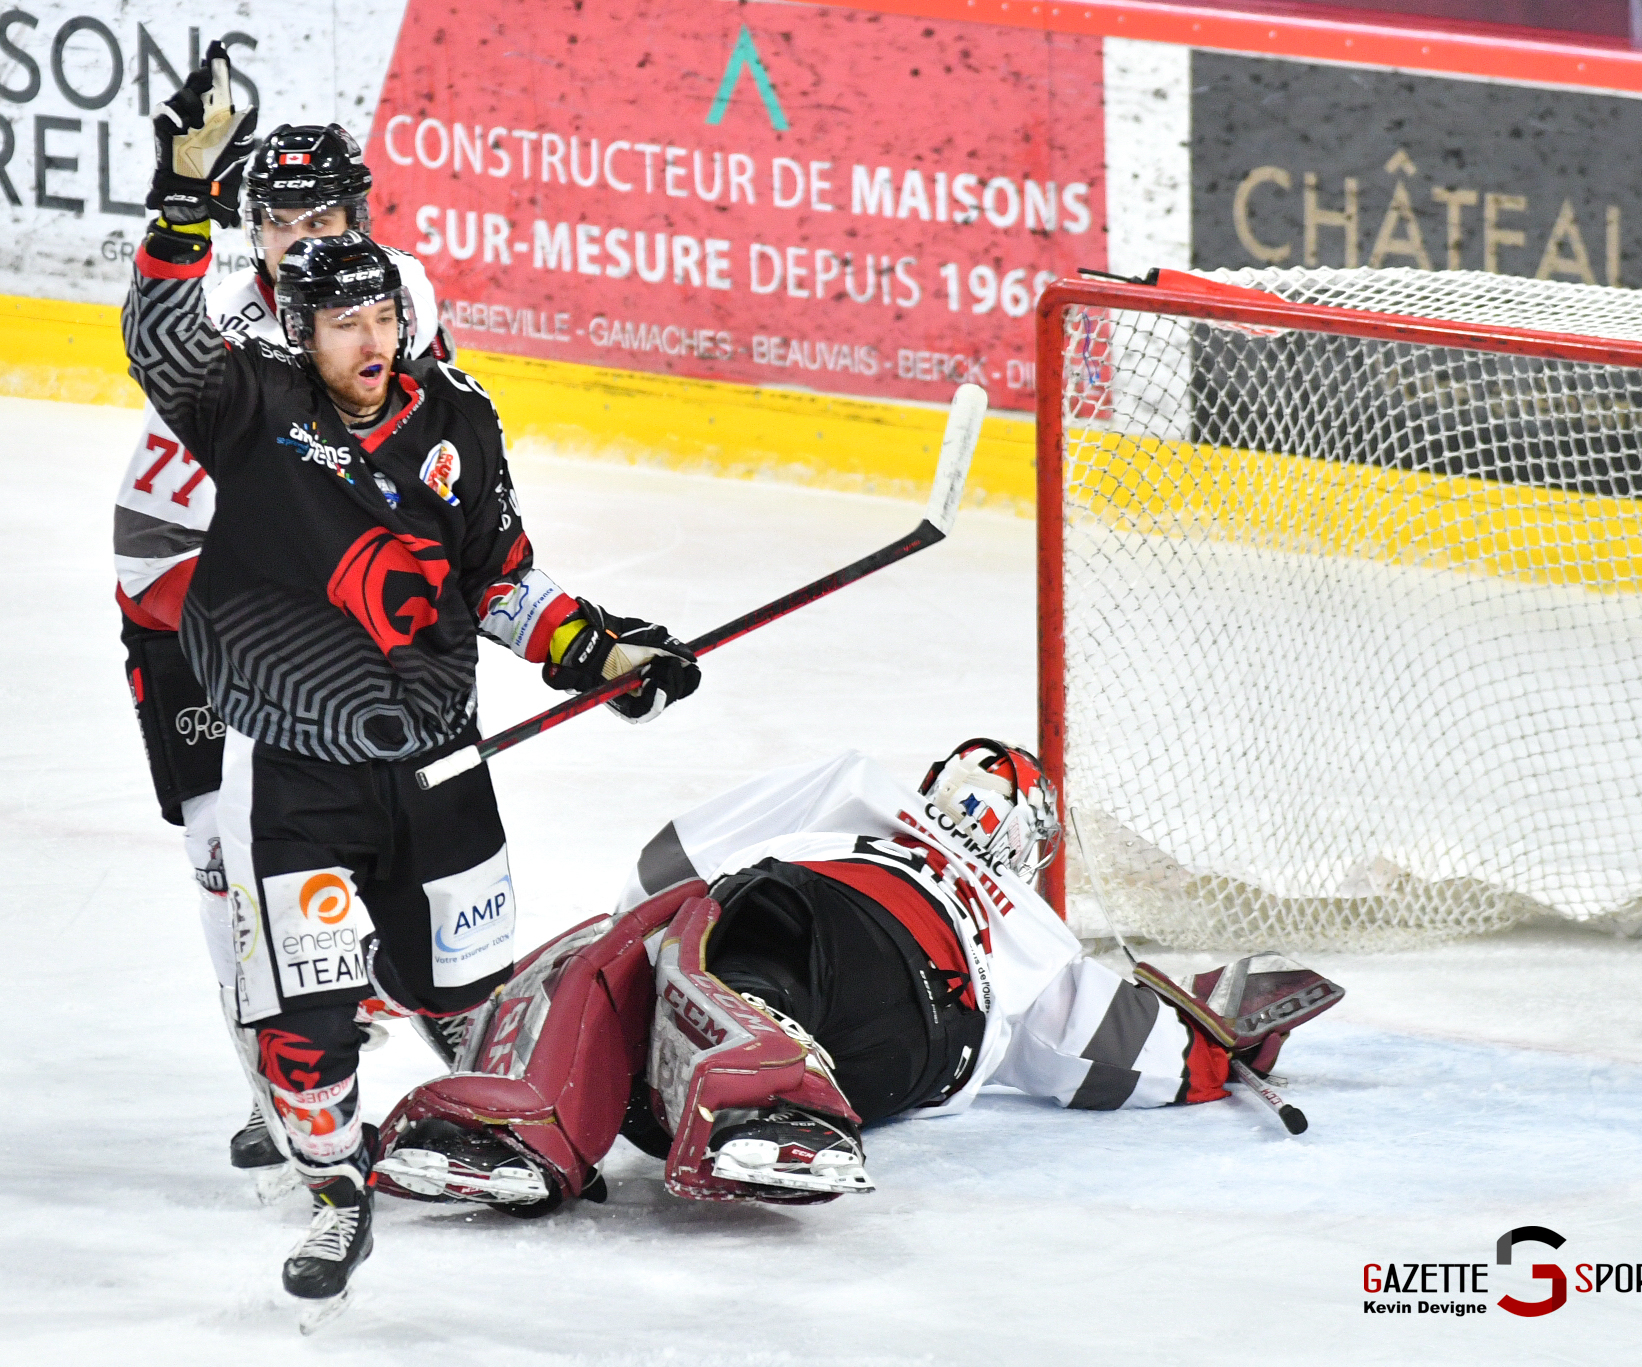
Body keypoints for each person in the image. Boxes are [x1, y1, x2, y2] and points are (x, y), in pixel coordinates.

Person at [121, 49, 702, 1308]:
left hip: (428, 738)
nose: (373, 338)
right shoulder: (245, 391)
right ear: (293, 323)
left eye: (384, 315)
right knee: (281, 969)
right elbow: (159, 338)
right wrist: (178, 190)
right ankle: (322, 1168)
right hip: (268, 718)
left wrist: (592, 645)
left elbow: (495, 571)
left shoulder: (454, 417)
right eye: (344, 318)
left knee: (464, 987)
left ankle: (446, 1080)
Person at [372, 740, 1340, 1212]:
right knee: (684, 960)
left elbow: (663, 866)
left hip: (797, 920)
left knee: (619, 947)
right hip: (914, 1042)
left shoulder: (859, 796)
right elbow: (1119, 1058)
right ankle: (673, 1111)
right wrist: (1225, 1041)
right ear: (1028, 844)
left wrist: (643, 932)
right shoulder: (1031, 930)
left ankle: (538, 1088)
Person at [114, 119, 449, 1177]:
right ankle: (283, 1082)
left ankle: (352, 992)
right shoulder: (226, 321)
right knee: (226, 861)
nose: (303, 239)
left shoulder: (401, 295)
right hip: (181, 585)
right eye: (280, 221)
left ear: (362, 215)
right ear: (245, 229)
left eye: (326, 217)